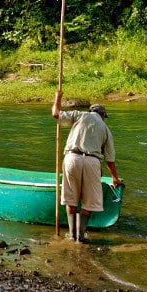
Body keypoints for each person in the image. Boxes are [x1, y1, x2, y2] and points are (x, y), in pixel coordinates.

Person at [52, 91, 122, 242]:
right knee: (88, 202)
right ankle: (80, 236)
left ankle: (72, 235)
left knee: (71, 199)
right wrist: (114, 178)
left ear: (91, 111)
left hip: (72, 158)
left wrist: (58, 97)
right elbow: (109, 159)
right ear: (103, 115)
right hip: (92, 162)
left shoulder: (80, 115)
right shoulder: (105, 129)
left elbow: (56, 114)